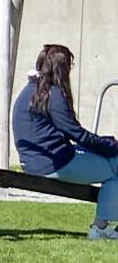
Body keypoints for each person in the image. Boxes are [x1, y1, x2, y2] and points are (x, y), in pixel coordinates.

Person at [11, 43, 118, 239]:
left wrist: (104, 144)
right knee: (113, 172)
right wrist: (109, 145)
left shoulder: (31, 90)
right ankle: (100, 229)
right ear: (62, 68)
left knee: (112, 159)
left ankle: (104, 226)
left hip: (37, 162)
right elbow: (76, 133)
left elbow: (71, 134)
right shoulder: (53, 94)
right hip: (53, 164)